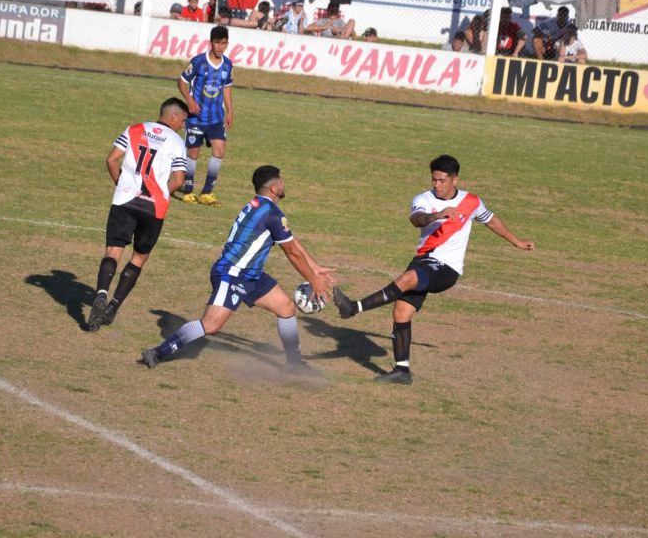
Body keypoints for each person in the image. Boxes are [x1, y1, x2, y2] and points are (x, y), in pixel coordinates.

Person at [333, 155, 535, 384]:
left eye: (441, 181)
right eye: (434, 180)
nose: (436, 185)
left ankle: (353, 308)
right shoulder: (423, 198)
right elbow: (417, 220)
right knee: (401, 312)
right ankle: (402, 371)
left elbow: (491, 221)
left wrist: (516, 241)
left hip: (446, 269)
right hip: (423, 261)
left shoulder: (471, 202)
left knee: (408, 279)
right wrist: (438, 215)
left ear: (455, 180)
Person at [141, 165, 335, 372]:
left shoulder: (260, 206)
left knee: (286, 308)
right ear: (274, 188)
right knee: (212, 325)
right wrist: (313, 280)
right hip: (233, 273)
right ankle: (158, 352)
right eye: (281, 181)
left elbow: (292, 242)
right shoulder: (272, 213)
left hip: (251, 274)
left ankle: (294, 364)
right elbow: (292, 253)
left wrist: (314, 268)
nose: (283, 183)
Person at [87, 98, 190, 331]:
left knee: (113, 251)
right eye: (183, 120)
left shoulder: (134, 129)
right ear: (173, 117)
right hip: (154, 207)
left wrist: (120, 183)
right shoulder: (176, 142)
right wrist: (162, 192)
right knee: (139, 257)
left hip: (124, 199)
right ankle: (113, 306)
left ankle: (101, 294)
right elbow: (179, 180)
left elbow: (111, 159)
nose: (183, 125)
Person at [176, 25, 234, 207]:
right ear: (211, 43)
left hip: (216, 117)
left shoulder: (227, 64)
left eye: (224, 43)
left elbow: (226, 88)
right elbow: (182, 82)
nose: (220, 47)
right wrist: (189, 100)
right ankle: (188, 191)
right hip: (196, 117)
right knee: (193, 153)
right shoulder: (199, 62)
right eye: (217, 43)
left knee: (219, 150)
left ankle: (207, 192)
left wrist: (230, 110)